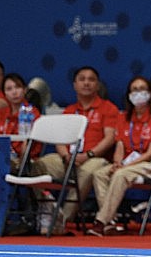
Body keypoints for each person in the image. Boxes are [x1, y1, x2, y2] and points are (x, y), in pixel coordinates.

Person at [32, 66, 118, 228]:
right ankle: (47, 208)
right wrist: (66, 156)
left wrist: (88, 155)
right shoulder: (70, 111)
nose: (86, 83)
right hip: (68, 158)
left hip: (95, 158)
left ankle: (63, 218)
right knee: (37, 165)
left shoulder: (108, 108)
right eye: (82, 79)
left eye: (91, 79)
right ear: (74, 85)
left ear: (97, 85)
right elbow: (60, 140)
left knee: (89, 170)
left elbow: (110, 138)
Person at [87, 76, 151, 236]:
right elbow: (120, 145)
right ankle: (110, 222)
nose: (138, 93)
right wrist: (117, 162)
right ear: (129, 95)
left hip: (149, 165)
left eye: (142, 89)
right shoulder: (123, 117)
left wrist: (125, 166)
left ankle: (100, 221)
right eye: (134, 90)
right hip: (126, 164)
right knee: (99, 174)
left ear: (150, 93)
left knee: (120, 174)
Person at [0, 73, 41, 172]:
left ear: (25, 90)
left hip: (26, 160)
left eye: (17, 87)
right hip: (3, 157)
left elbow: (30, 145)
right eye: (9, 89)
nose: (14, 92)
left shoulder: (33, 113)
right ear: (4, 94)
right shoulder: (1, 113)